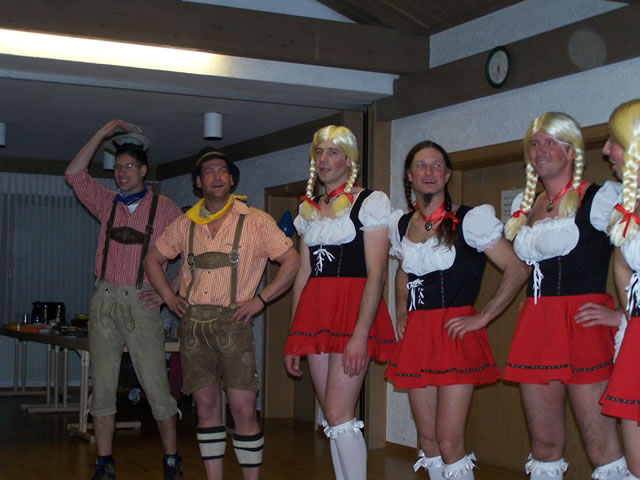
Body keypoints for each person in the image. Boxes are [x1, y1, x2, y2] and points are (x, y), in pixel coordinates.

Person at [144, 149, 299, 480]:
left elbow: (292, 260)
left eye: (222, 171)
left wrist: (261, 300)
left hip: (235, 323)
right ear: (199, 183)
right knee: (206, 409)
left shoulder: (256, 220)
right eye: (209, 172)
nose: (216, 176)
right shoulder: (185, 224)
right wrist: (169, 297)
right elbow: (152, 259)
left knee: (244, 410)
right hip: (193, 327)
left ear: (231, 179)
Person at [384, 141, 528, 479]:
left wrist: (485, 315)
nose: (429, 172)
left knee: (449, 441)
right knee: (428, 441)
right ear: (409, 175)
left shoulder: (471, 220)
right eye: (421, 165)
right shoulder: (401, 224)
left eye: (437, 166)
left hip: (453, 334)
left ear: (447, 175)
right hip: (418, 335)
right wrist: (401, 310)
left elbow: (517, 268)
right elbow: (403, 269)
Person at [503, 112, 627, 480]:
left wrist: (625, 314)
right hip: (536, 326)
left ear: (571, 151)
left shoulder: (601, 198)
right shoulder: (526, 205)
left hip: (583, 325)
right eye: (535, 143)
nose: (541, 150)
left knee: (599, 445)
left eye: (551, 142)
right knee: (544, 443)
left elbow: (633, 254)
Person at [65, 120, 183, 480]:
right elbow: (73, 173)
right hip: (104, 300)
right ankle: (104, 462)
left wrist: (167, 293)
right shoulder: (106, 203)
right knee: (102, 386)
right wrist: (102, 134)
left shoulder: (165, 208)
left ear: (144, 170)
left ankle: (171, 461)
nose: (121, 173)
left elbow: (191, 254)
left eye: (129, 166)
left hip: (142, 303)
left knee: (156, 386)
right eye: (117, 167)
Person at [283, 125, 396, 480]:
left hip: (353, 310)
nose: (324, 159)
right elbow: (303, 274)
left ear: (349, 161)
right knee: (332, 418)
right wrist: (294, 337)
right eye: (319, 152)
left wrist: (361, 334)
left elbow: (377, 273)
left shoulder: (370, 202)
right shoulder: (309, 209)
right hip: (316, 313)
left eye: (333, 152)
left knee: (338, 412)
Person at [601, 99, 640, 480]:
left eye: (614, 141)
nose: (605, 150)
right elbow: (623, 265)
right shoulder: (630, 205)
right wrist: (629, 315)